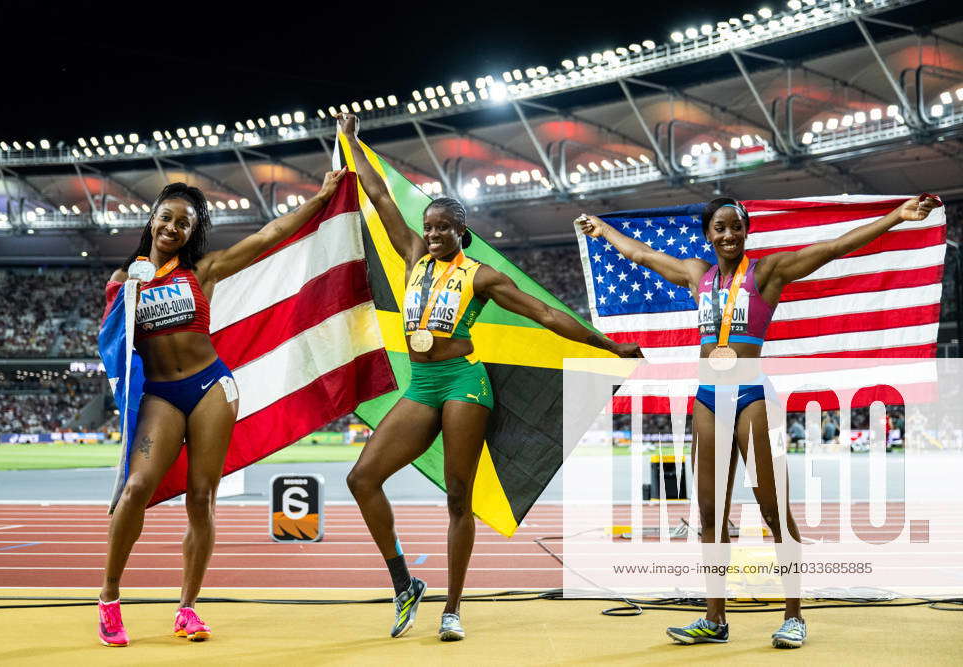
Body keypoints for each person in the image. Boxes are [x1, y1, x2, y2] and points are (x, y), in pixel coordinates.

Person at [577, 194, 939, 649]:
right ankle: (714, 619)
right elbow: (643, 255)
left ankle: (794, 616)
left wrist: (895, 217)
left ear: (747, 231)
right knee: (710, 513)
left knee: (773, 510)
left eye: (736, 227)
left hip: (751, 395)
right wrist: (602, 230)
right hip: (708, 397)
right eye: (720, 228)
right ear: (707, 234)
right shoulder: (696, 275)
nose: (729, 235)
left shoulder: (766, 273)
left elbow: (834, 248)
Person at [337, 112, 641, 642]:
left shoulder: (482, 276)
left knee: (459, 497)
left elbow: (546, 316)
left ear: (463, 234)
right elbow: (380, 195)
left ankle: (452, 607)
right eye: (428, 226)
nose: (432, 234)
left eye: (443, 228)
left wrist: (609, 346)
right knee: (361, 478)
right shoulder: (411, 257)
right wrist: (349, 141)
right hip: (422, 385)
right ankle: (404, 582)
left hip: (464, 384)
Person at [97, 169, 347, 647]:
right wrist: (123, 295)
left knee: (202, 497)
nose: (173, 228)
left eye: (184, 224)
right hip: (161, 395)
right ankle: (109, 597)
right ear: (151, 220)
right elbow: (114, 347)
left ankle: (187, 608)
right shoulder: (123, 280)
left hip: (212, 385)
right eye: (166, 218)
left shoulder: (202, 272)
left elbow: (268, 235)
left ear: (192, 232)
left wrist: (320, 198)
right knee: (137, 487)